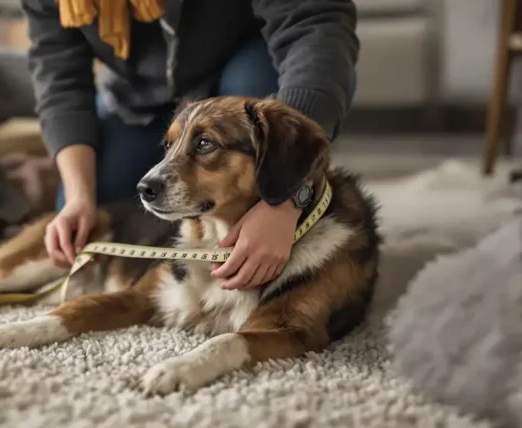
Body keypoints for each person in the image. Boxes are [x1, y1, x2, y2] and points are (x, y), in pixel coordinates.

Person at [21, 0, 358, 290]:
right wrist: (78, 198)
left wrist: (287, 198)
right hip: (139, 99)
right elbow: (60, 78)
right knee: (93, 218)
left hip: (250, 70)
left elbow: (315, 25)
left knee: (262, 150)